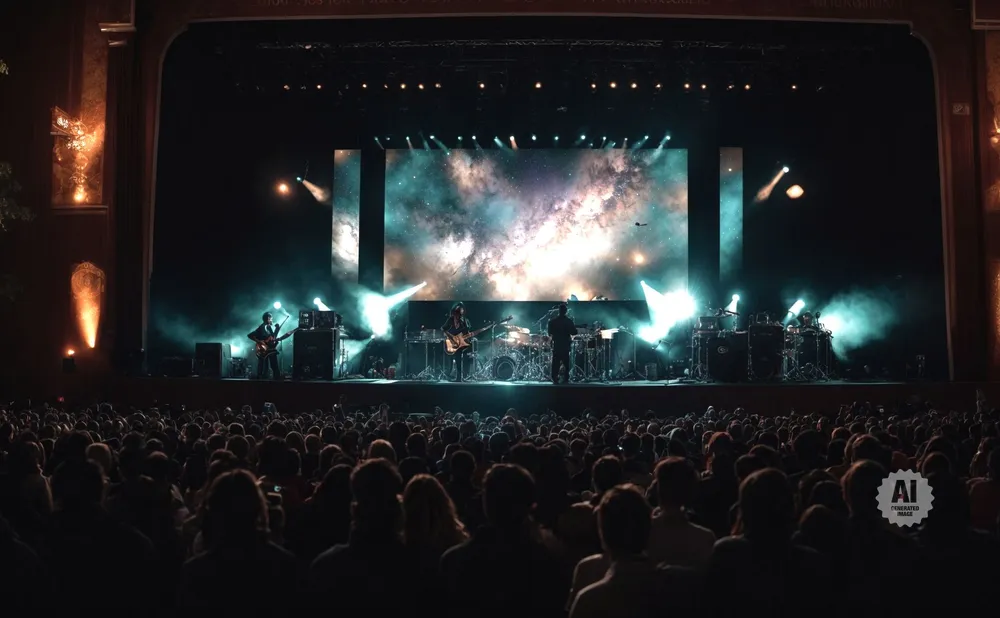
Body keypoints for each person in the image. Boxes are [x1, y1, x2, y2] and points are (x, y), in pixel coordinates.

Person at [248, 312, 283, 380]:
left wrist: (277, 329)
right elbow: (250, 335)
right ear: (268, 319)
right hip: (264, 349)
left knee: (271, 364)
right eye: (271, 319)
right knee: (265, 365)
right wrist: (259, 342)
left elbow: (273, 337)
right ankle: (265, 378)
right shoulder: (261, 327)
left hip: (269, 349)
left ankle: (274, 377)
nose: (272, 320)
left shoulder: (269, 327)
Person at [547, 303, 577, 384]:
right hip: (565, 345)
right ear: (566, 311)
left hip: (556, 344)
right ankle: (566, 379)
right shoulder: (569, 321)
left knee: (555, 362)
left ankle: (555, 378)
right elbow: (574, 332)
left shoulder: (552, 322)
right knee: (566, 362)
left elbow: (549, 333)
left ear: (558, 311)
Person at [442, 302, 472, 382]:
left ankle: (462, 376)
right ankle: (453, 375)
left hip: (463, 343)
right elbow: (443, 329)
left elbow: (467, 332)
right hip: (452, 343)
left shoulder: (465, 321)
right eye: (456, 313)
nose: (457, 316)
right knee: (456, 354)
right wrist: (450, 337)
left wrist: (466, 335)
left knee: (461, 353)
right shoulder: (450, 320)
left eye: (459, 314)